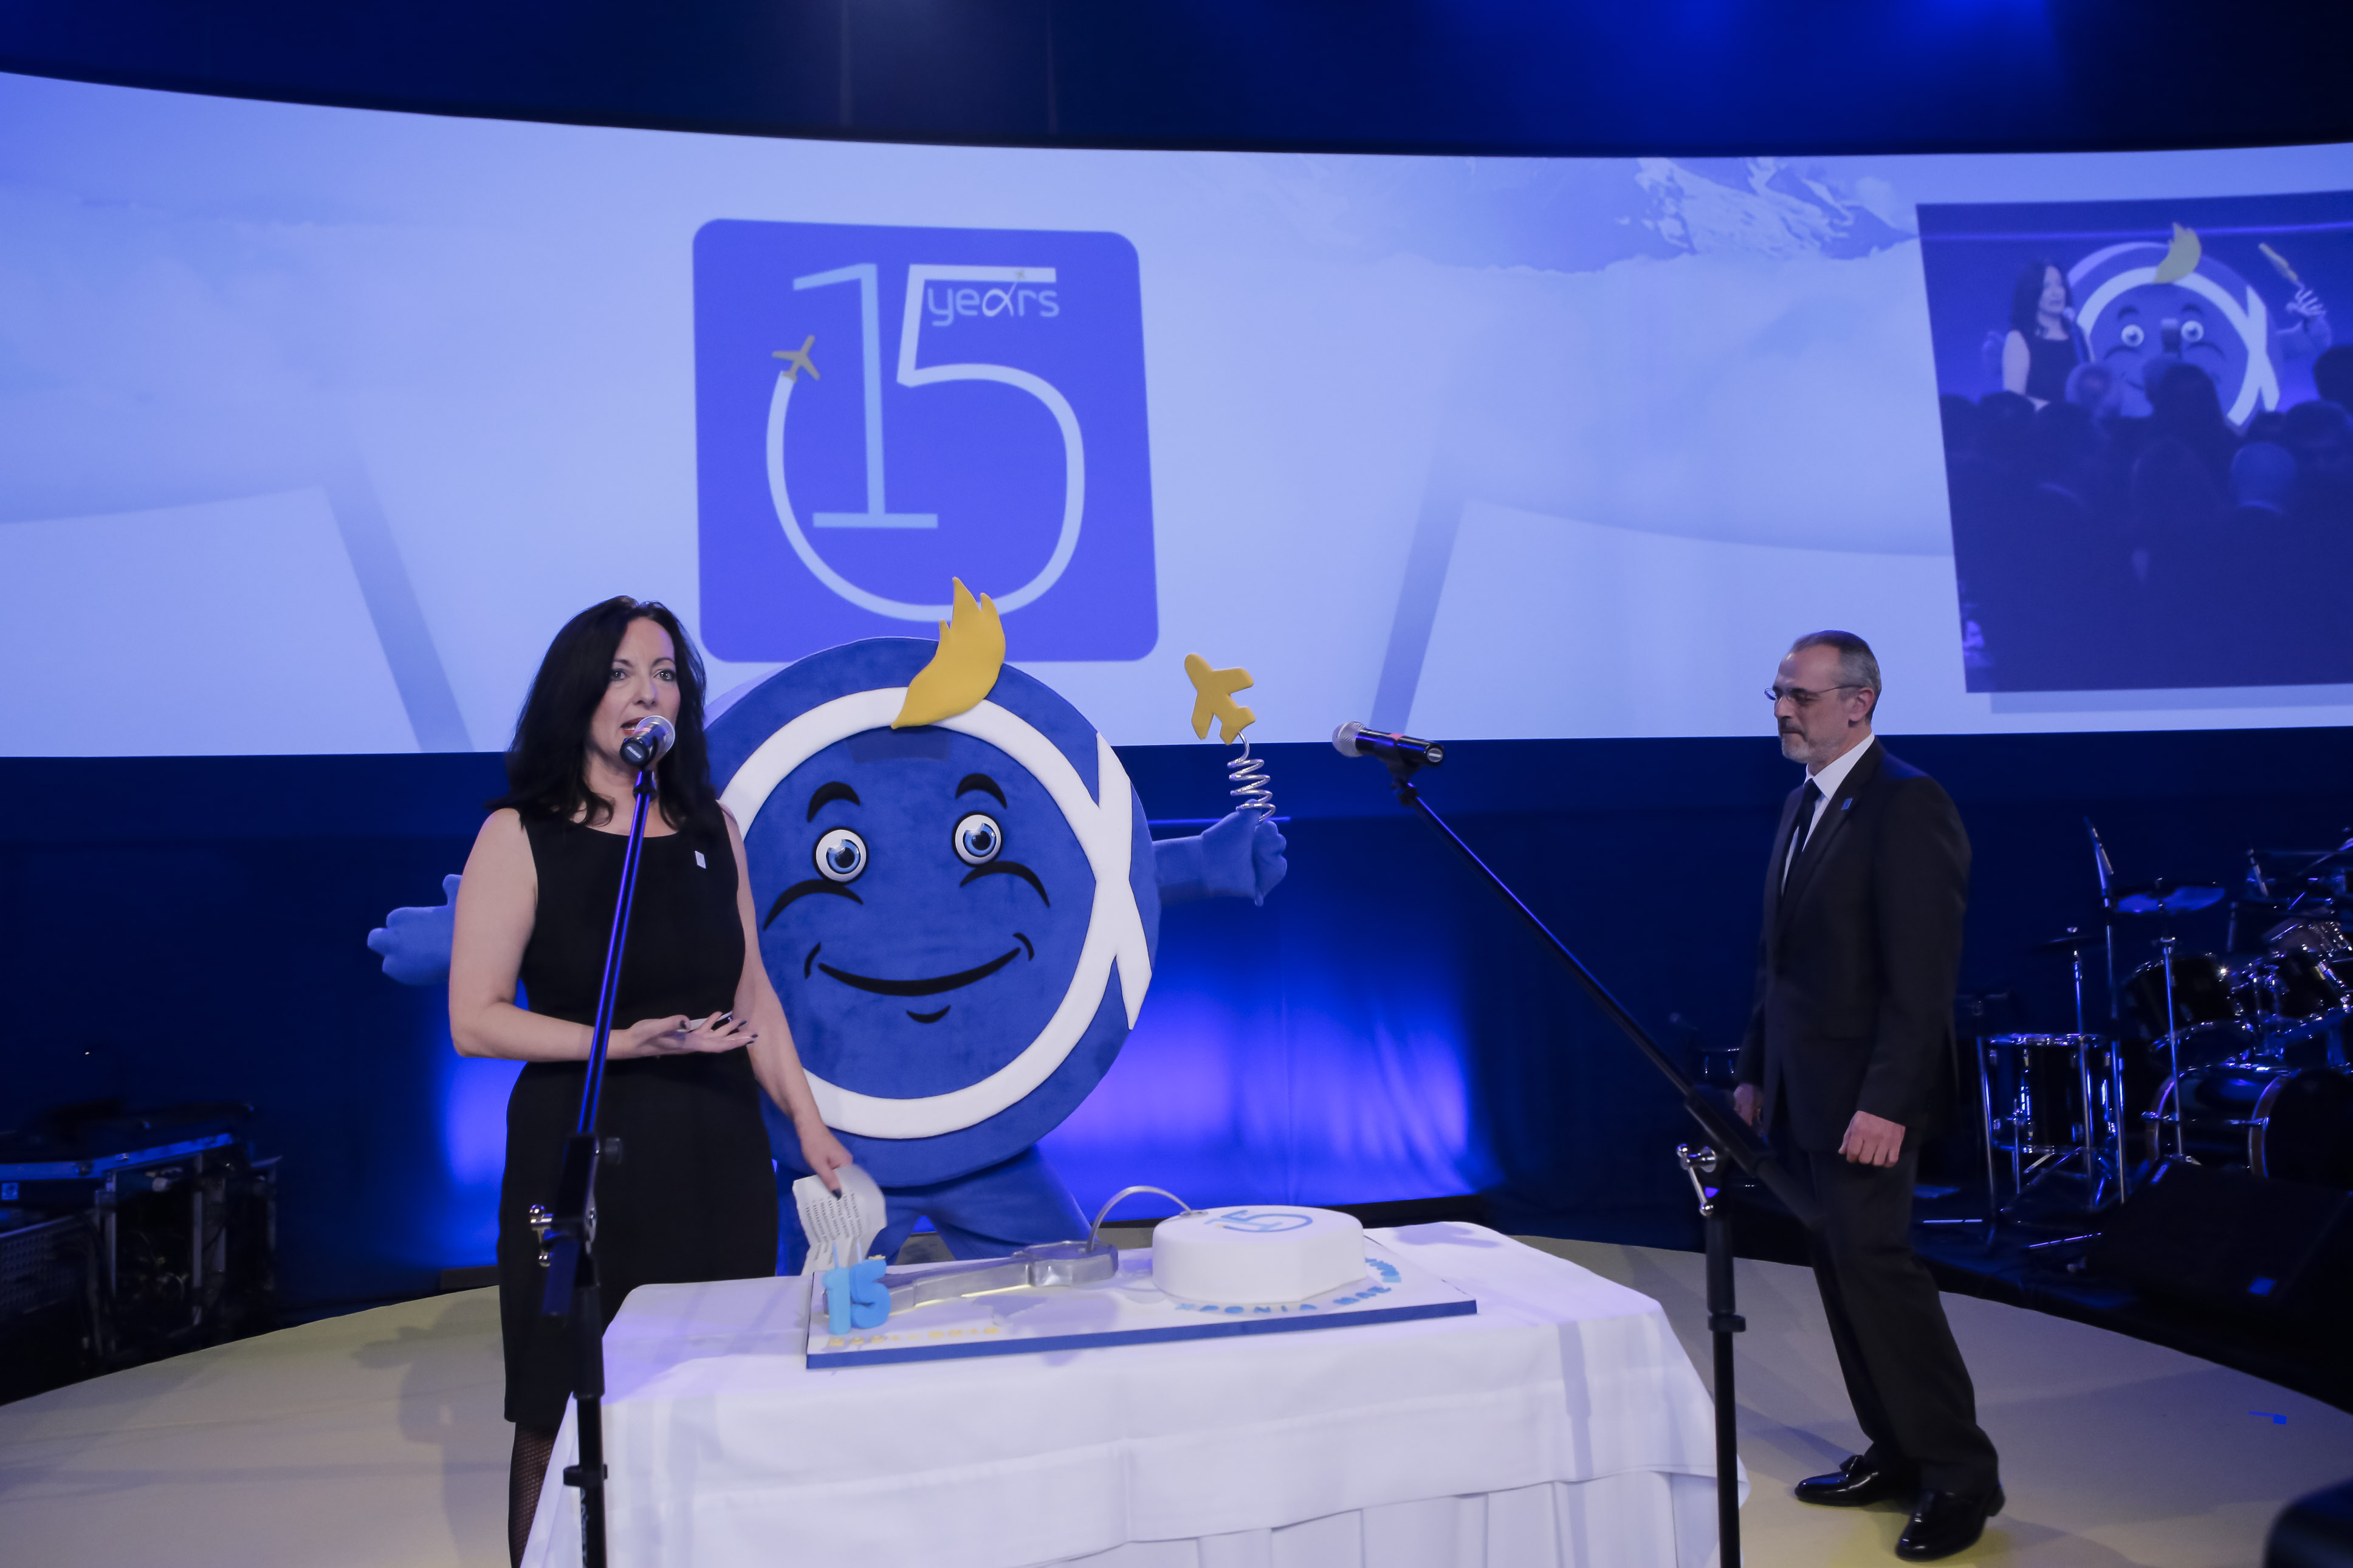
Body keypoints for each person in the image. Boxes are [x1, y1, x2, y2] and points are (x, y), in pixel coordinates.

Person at [447, 597, 851, 1565]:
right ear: (578, 692)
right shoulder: (520, 833)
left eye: (665, 674)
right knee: (560, 1401)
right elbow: (476, 1018)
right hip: (581, 1149)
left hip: (714, 1142)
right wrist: (624, 1042)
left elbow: (753, 995)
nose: (647, 692)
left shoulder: (714, 828)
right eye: (623, 673)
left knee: (721, 1384)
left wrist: (807, 1124)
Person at [1734, 631, 2002, 1563]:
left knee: (1879, 1273)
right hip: (1804, 1089)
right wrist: (1755, 1068)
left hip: (1866, 1100)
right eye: (1778, 694)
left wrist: (1889, 1101)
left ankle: (1961, 1473)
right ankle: (1894, 1448)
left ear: (1860, 702)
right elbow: (1779, 964)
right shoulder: (1803, 801)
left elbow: (1922, 976)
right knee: (1843, 1274)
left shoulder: (1907, 802)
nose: (1783, 711)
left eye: (1801, 697)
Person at [2001, 259, 2081, 408]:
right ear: (2032, 293)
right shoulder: (2019, 339)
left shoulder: (2078, 336)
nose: (2056, 293)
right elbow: (2014, 398)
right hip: (2042, 422)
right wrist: (2062, 412)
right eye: (2046, 287)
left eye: (2060, 285)